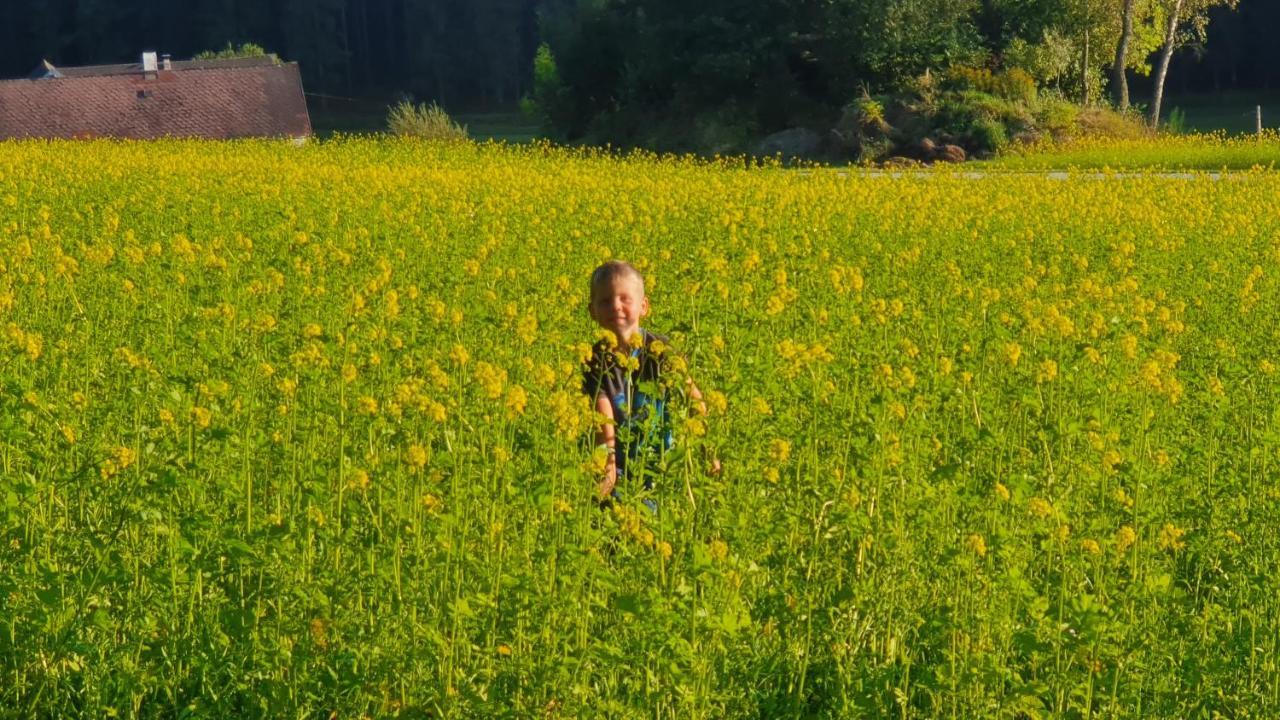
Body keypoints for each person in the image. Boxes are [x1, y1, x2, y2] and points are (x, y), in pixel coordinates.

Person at [580, 260, 719, 507]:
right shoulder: (594, 362)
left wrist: (709, 454)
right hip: (619, 469)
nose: (616, 307)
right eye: (605, 301)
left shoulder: (661, 351)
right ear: (592, 311)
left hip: (662, 466)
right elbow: (604, 426)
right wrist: (608, 473)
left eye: (625, 299)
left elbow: (693, 400)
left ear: (644, 307)